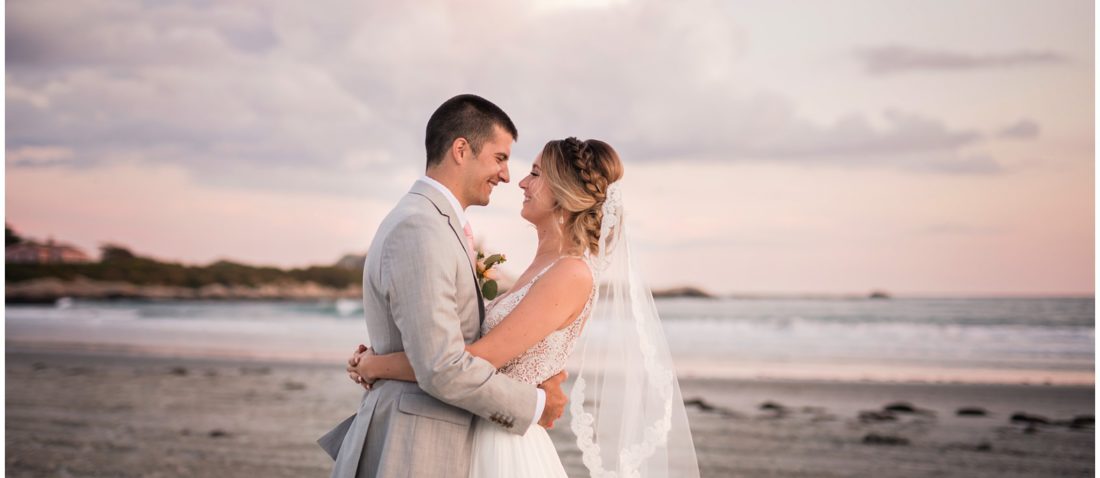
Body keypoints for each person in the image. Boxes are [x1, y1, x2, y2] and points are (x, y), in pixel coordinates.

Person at [350, 137, 701, 477]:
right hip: (477, 429)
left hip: (502, 446)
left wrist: (377, 364)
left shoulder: (571, 273)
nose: (520, 182)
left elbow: (475, 360)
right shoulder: (541, 268)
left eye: (535, 174)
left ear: (563, 192)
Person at [317, 94, 569, 478]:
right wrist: (535, 405)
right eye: (500, 158)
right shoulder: (421, 227)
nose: (506, 175)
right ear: (461, 150)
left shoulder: (434, 222)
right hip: (415, 444)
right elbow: (441, 366)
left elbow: (436, 346)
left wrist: (377, 363)